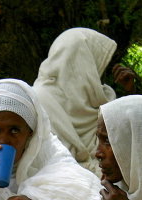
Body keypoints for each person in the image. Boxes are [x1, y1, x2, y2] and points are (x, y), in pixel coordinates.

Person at [33, 27, 136, 176]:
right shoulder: (39, 101)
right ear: (84, 63)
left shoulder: (102, 98)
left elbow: (127, 143)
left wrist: (130, 93)